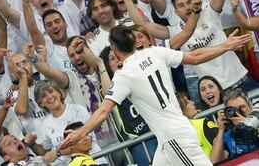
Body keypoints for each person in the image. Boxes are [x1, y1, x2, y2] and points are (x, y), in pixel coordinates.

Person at [61, 24, 251, 166]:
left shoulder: (124, 75)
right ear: (134, 42)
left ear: (113, 49)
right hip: (168, 137)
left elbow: (103, 112)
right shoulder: (155, 52)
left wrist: (80, 132)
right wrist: (224, 45)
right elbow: (194, 57)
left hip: (174, 138)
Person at [35, 79, 108, 165]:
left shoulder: (78, 110)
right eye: (44, 96)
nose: (49, 96)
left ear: (59, 93)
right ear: (41, 104)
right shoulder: (45, 125)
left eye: (51, 91)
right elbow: (47, 151)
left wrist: (58, 153)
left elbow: (86, 141)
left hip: (93, 160)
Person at [176, 92, 222, 163]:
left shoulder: (173, 134)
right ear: (180, 110)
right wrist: (221, 129)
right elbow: (223, 152)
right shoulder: (203, 123)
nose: (192, 102)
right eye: (187, 102)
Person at [215, 88, 259, 160]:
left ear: (250, 106)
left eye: (242, 107)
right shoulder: (228, 136)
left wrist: (247, 124)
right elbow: (214, 161)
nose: (238, 112)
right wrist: (221, 129)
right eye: (233, 110)